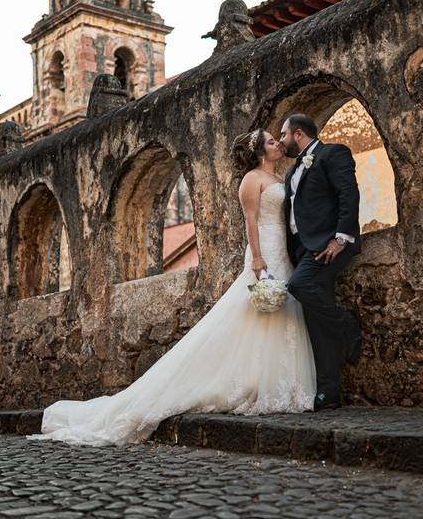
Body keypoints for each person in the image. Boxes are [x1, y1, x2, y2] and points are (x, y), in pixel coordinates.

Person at [26, 129, 315, 447]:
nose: (278, 144)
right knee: (253, 315)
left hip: (283, 250)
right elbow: (249, 221)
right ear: (260, 151)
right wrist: (258, 259)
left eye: (277, 140)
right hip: (264, 251)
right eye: (272, 141)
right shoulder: (252, 179)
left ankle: (275, 381)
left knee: (279, 315)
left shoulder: (279, 178)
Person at [279, 113, 362, 411]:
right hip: (303, 249)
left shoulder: (332, 153)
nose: (281, 140)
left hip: (329, 246)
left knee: (299, 285)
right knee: (315, 322)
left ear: (298, 133)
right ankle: (329, 393)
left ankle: (347, 326)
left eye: (284, 134)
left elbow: (348, 194)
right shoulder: (292, 171)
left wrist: (340, 239)